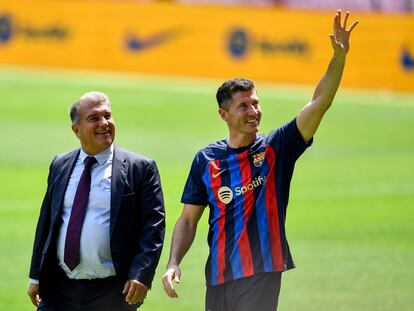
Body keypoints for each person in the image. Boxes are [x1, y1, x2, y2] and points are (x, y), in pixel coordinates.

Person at [162, 9, 358, 311]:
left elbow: (319, 103)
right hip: (217, 276)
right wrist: (173, 262)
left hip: (262, 273)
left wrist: (339, 58)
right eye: (244, 106)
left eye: (256, 103)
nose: (253, 111)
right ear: (224, 115)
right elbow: (189, 220)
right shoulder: (206, 160)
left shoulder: (277, 147)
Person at [27, 91, 165, 310]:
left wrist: (142, 275)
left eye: (107, 116)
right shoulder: (60, 164)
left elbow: (153, 227)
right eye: (94, 118)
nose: (104, 123)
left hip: (112, 292)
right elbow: (46, 223)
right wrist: (36, 276)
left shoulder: (140, 168)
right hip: (59, 288)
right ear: (76, 130)